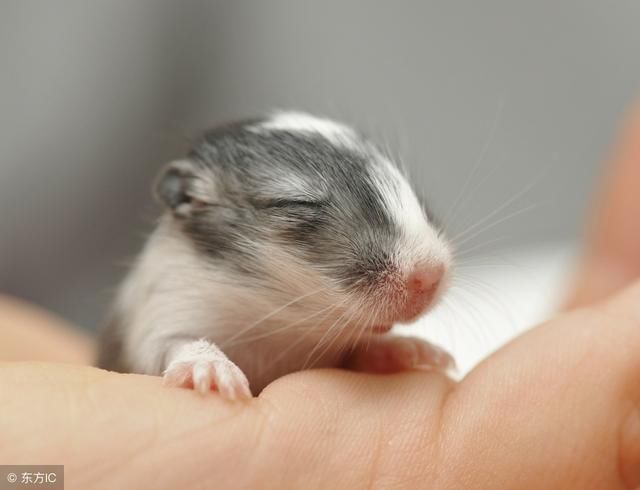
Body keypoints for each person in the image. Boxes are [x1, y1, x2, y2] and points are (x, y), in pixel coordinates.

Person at [1, 104, 639, 490]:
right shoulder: (174, 289)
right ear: (191, 204)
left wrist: (363, 352)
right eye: (300, 208)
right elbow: (149, 347)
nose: (426, 272)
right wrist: (188, 355)